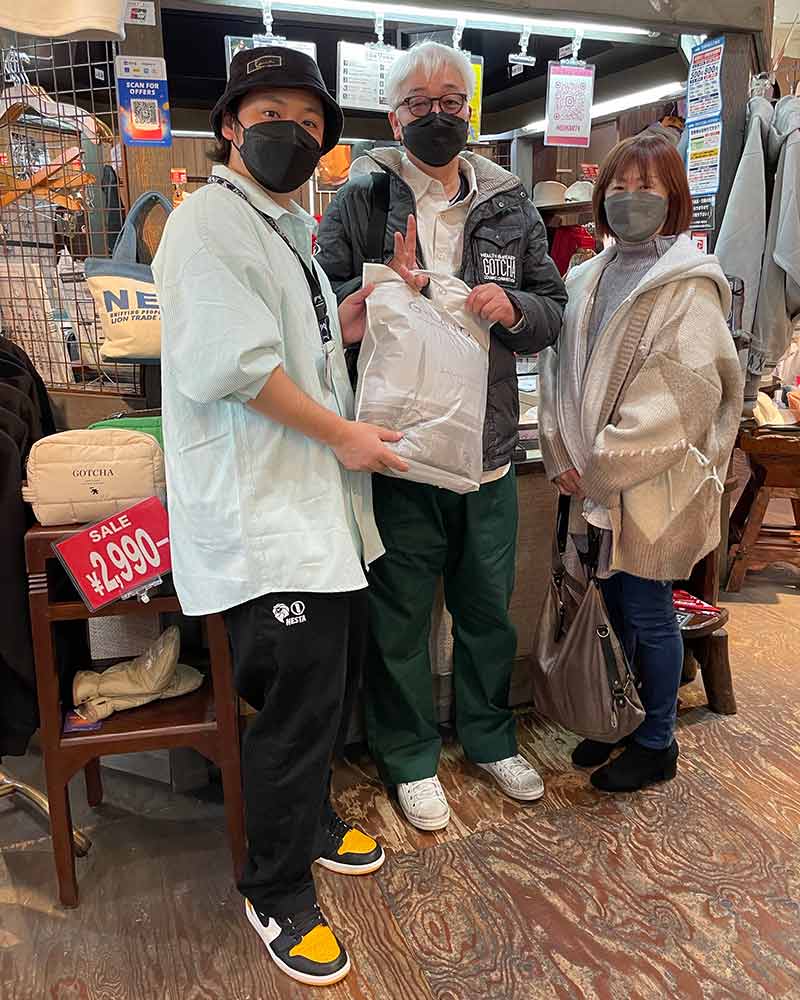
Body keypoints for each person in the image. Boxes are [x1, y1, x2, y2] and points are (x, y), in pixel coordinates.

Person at [152, 47, 409, 988]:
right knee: (295, 711)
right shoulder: (206, 222)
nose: (291, 134)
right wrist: (344, 436)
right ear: (229, 125)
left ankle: (311, 821)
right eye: (271, 114)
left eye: (309, 123)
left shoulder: (286, 226)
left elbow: (290, 347)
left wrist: (347, 321)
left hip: (313, 514)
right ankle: (277, 889)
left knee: (329, 690)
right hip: (264, 518)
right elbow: (237, 366)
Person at [316, 40, 567, 831]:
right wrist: (376, 293)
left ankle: (491, 738)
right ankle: (409, 756)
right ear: (394, 117)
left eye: (451, 101)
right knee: (399, 615)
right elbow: (318, 308)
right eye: (419, 103)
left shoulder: (510, 204)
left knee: (487, 609)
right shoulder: (360, 199)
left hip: (488, 452)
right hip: (396, 450)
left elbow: (552, 309)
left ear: (470, 110)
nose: (437, 115)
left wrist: (514, 309)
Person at [539, 132, 743, 793]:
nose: (630, 200)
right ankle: (616, 716)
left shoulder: (691, 288)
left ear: (673, 197)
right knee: (608, 607)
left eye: (647, 188)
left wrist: (601, 467)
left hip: (651, 483)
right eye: (619, 188)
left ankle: (657, 741)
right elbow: (556, 373)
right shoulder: (584, 277)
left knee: (648, 612)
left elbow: (682, 394)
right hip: (591, 481)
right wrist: (560, 452)